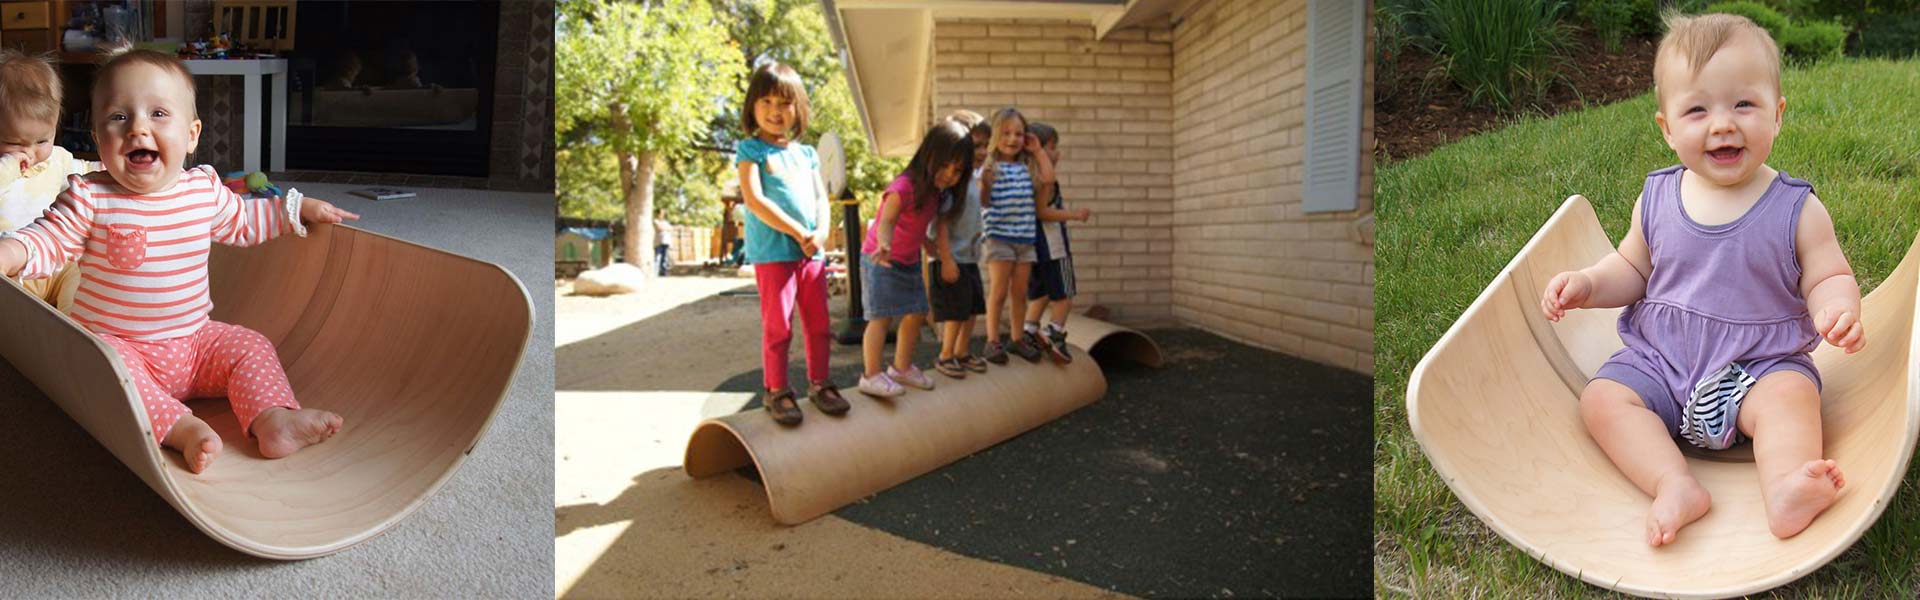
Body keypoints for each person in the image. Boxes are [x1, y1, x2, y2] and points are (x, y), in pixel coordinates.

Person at [1539, 12, 1862, 547]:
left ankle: (1785, 488)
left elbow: (1830, 273)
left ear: (1777, 115)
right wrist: (1590, 285)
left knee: (1792, 398)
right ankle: (1674, 482)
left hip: (1757, 369)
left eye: (1744, 104)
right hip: (1662, 362)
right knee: (1601, 400)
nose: (1722, 124)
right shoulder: (1657, 199)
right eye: (1697, 109)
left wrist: (1835, 308)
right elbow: (1632, 269)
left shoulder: (1796, 209)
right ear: (1666, 128)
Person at [0, 49, 358, 473]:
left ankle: (272, 419)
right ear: (97, 138)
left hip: (195, 343)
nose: (137, 128)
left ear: (191, 135)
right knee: (106, 373)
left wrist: (294, 211)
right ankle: (181, 428)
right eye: (118, 117)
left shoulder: (202, 189)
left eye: (157, 114)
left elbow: (245, 219)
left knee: (250, 345)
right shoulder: (90, 196)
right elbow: (50, 239)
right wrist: (13, 251)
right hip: (121, 346)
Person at [734, 61, 846, 425]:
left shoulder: (807, 154)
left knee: (819, 323)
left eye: (784, 103)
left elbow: (820, 199)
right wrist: (800, 233)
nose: (775, 111)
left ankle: (820, 384)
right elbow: (754, 201)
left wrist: (821, 233)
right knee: (778, 325)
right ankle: (777, 390)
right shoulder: (752, 151)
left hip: (812, 253)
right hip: (775, 254)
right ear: (753, 106)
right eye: (766, 101)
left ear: (798, 107)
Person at [857, 120, 971, 396]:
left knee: (917, 312)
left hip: (908, 261)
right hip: (880, 258)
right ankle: (870, 375)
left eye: (958, 171)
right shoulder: (904, 187)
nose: (949, 174)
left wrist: (930, 246)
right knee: (881, 317)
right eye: (945, 165)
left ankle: (901, 367)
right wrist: (884, 243)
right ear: (928, 155)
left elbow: (916, 226)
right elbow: (888, 221)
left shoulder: (935, 193)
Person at [0, 49, 101, 313]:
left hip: (57, 263)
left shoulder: (57, 160)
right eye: (13, 142)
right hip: (13, 271)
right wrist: (8, 167)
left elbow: (88, 173)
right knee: (18, 312)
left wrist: (117, 169)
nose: (31, 152)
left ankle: (78, 330)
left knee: (85, 283)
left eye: (42, 140)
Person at [976, 107, 1054, 364]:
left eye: (1019, 134)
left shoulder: (1027, 166)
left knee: (1020, 293)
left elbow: (1049, 178)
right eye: (1006, 133)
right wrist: (985, 186)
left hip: (1025, 240)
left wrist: (1038, 150)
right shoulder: (988, 168)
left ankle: (1017, 339)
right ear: (996, 136)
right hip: (999, 237)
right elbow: (983, 203)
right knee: (998, 291)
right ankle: (992, 341)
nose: (1012, 139)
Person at [926, 112, 992, 378]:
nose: (982, 151)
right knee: (955, 313)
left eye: (986, 145)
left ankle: (962, 352)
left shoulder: (973, 181)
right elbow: (941, 224)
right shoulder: (954, 185)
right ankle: (946, 355)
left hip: (969, 257)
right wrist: (947, 259)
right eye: (976, 145)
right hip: (951, 259)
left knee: (971, 309)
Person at [1021, 122, 1091, 364]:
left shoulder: (1029, 179)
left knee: (1041, 292)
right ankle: (1055, 332)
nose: (1057, 153)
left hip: (1035, 248)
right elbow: (1043, 212)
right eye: (1052, 147)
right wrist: (1074, 214)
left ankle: (1029, 330)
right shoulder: (1045, 181)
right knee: (1065, 293)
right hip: (1053, 246)